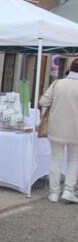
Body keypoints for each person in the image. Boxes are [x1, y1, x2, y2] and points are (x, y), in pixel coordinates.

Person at [39, 58, 78, 203]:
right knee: (74, 159)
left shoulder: (57, 84)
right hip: (75, 128)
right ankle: (68, 190)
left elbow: (43, 102)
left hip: (56, 127)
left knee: (56, 159)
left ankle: (53, 192)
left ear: (70, 68)